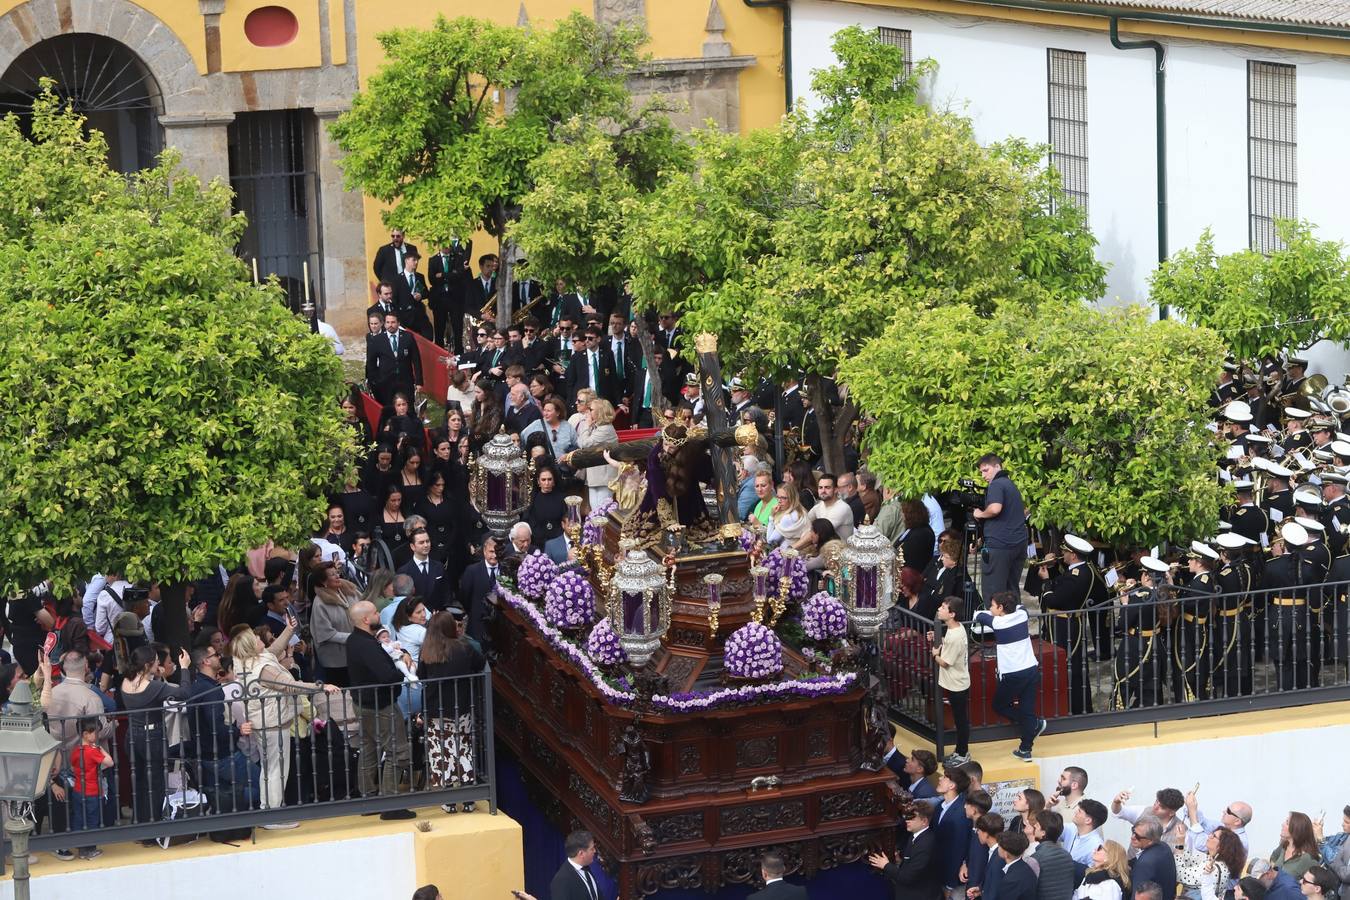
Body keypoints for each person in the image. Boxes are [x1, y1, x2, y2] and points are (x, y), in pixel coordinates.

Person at [232, 626, 336, 827]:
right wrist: (321, 687)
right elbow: (290, 686)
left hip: (266, 722)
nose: (259, 637)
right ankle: (272, 816)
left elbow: (274, 649)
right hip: (272, 724)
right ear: (251, 646)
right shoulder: (263, 668)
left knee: (270, 769)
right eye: (255, 637)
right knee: (276, 770)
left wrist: (289, 629)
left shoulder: (251, 660)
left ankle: (267, 811)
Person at [345, 600, 416, 820]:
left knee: (368, 749)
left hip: (363, 703)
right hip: (380, 705)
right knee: (397, 750)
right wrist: (400, 670)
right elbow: (387, 676)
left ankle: (368, 798)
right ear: (366, 619)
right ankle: (390, 803)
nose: (379, 615)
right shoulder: (365, 644)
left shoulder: (354, 640)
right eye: (376, 612)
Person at [118, 643, 192, 826]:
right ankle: (154, 827)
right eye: (156, 661)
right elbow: (183, 693)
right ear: (147, 665)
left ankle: (140, 823)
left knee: (141, 782)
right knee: (156, 783)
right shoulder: (152, 687)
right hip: (152, 738)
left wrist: (156, 674)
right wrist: (184, 668)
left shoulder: (126, 682)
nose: (158, 664)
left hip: (132, 737)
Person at [972, 591, 1045, 761]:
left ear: (1001, 608)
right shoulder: (1021, 615)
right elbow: (1020, 607)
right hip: (1031, 669)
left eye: (992, 605)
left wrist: (988, 612)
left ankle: (1034, 724)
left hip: (1014, 674)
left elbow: (979, 616)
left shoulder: (997, 622)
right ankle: (1025, 749)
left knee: (999, 705)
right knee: (1027, 710)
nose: (989, 608)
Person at [973, 454, 1029, 604]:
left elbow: (995, 509)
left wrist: (980, 514)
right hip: (1018, 544)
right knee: (1011, 593)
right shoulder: (1011, 485)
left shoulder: (996, 484)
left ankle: (995, 627)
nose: (983, 475)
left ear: (997, 466)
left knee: (994, 595)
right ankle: (1016, 625)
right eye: (981, 472)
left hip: (1000, 547)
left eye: (986, 470)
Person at [60, 717, 112, 860]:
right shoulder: (93, 751)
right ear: (85, 734)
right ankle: (89, 849)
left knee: (78, 818)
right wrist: (101, 749)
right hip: (92, 791)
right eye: (95, 733)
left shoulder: (77, 750)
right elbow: (110, 762)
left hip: (78, 790)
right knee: (92, 820)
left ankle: (81, 847)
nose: (98, 736)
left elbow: (72, 764)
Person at [929, 596, 972, 766]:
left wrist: (935, 655)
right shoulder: (956, 629)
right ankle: (960, 752)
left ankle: (962, 753)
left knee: (961, 720)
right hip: (957, 681)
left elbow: (945, 662)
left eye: (943, 608)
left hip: (956, 684)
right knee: (960, 719)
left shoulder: (955, 635)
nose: (939, 609)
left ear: (952, 614)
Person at [870, 801, 939, 900]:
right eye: (907, 817)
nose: (907, 820)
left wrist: (886, 865)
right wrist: (899, 861)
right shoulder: (914, 836)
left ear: (924, 821)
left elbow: (908, 877)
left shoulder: (925, 844)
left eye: (912, 818)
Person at [311, 562, 359, 686]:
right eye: (332, 575)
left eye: (337, 572)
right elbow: (325, 633)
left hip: (355, 653)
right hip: (336, 660)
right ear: (323, 581)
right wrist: (352, 637)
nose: (337, 576)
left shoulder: (349, 591)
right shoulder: (320, 603)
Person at [934, 767, 974, 900]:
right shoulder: (940, 806)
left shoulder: (960, 814)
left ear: (952, 785)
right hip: (939, 871)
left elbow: (958, 849)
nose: (940, 778)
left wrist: (950, 885)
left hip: (950, 878)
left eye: (944, 777)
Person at [1177, 826, 1245, 900]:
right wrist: (1181, 842)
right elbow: (1188, 860)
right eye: (1211, 833)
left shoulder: (1212, 868)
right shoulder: (1213, 860)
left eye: (1214, 836)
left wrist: (1179, 843)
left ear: (1222, 846)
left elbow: (1180, 875)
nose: (1209, 836)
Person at [525, 465, 569, 563]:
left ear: (554, 481)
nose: (547, 483)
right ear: (538, 482)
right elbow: (530, 521)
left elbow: (565, 519)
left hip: (558, 541)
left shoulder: (561, 498)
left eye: (549, 479)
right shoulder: (533, 500)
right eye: (543, 480)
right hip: (538, 542)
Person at [1032, 811, 1078, 900]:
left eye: (1037, 825)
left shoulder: (1036, 858)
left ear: (1043, 833)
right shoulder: (1067, 856)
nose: (1034, 826)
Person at [1129, 816, 1178, 900]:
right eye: (1133, 831)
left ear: (1150, 840)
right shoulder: (1164, 847)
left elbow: (1138, 896)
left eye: (1138, 836)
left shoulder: (1145, 864)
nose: (1132, 837)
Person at [550, 829, 607, 900]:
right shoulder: (561, 881)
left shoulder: (586, 868)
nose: (595, 851)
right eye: (592, 849)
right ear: (581, 854)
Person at [1270, 813, 1321, 881]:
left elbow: (1313, 886)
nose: (1282, 824)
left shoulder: (1308, 859)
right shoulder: (1284, 846)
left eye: (1287, 822)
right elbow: (1273, 858)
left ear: (1296, 829)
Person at [809, 473, 854, 540]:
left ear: (836, 490)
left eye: (827, 487)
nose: (823, 491)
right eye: (820, 488)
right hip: (825, 547)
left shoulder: (842, 508)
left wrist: (793, 547)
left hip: (841, 549)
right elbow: (806, 523)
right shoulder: (819, 505)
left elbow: (820, 533)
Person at [997, 831, 1040, 900]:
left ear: (1006, 854)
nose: (998, 848)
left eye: (999, 846)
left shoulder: (1011, 881)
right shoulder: (1027, 868)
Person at [768, 482, 811, 549]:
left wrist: (771, 517)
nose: (779, 501)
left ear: (792, 499)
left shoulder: (788, 518)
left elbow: (770, 541)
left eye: (783, 498)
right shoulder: (801, 510)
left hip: (788, 554)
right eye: (778, 497)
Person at [1068, 800, 1109, 870]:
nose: (1075, 812)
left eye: (1079, 811)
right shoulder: (1072, 828)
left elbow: (1091, 873)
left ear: (1088, 820)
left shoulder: (1096, 846)